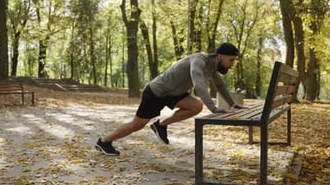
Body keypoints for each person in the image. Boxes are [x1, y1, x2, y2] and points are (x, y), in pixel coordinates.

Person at [95, 42, 244, 156]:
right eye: (231, 60)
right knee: (137, 125)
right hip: (156, 92)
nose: (232, 65)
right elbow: (198, 84)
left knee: (196, 106)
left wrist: (233, 104)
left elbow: (220, 86)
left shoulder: (212, 67)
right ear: (220, 56)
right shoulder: (199, 61)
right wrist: (213, 108)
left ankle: (161, 125)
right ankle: (104, 141)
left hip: (174, 93)